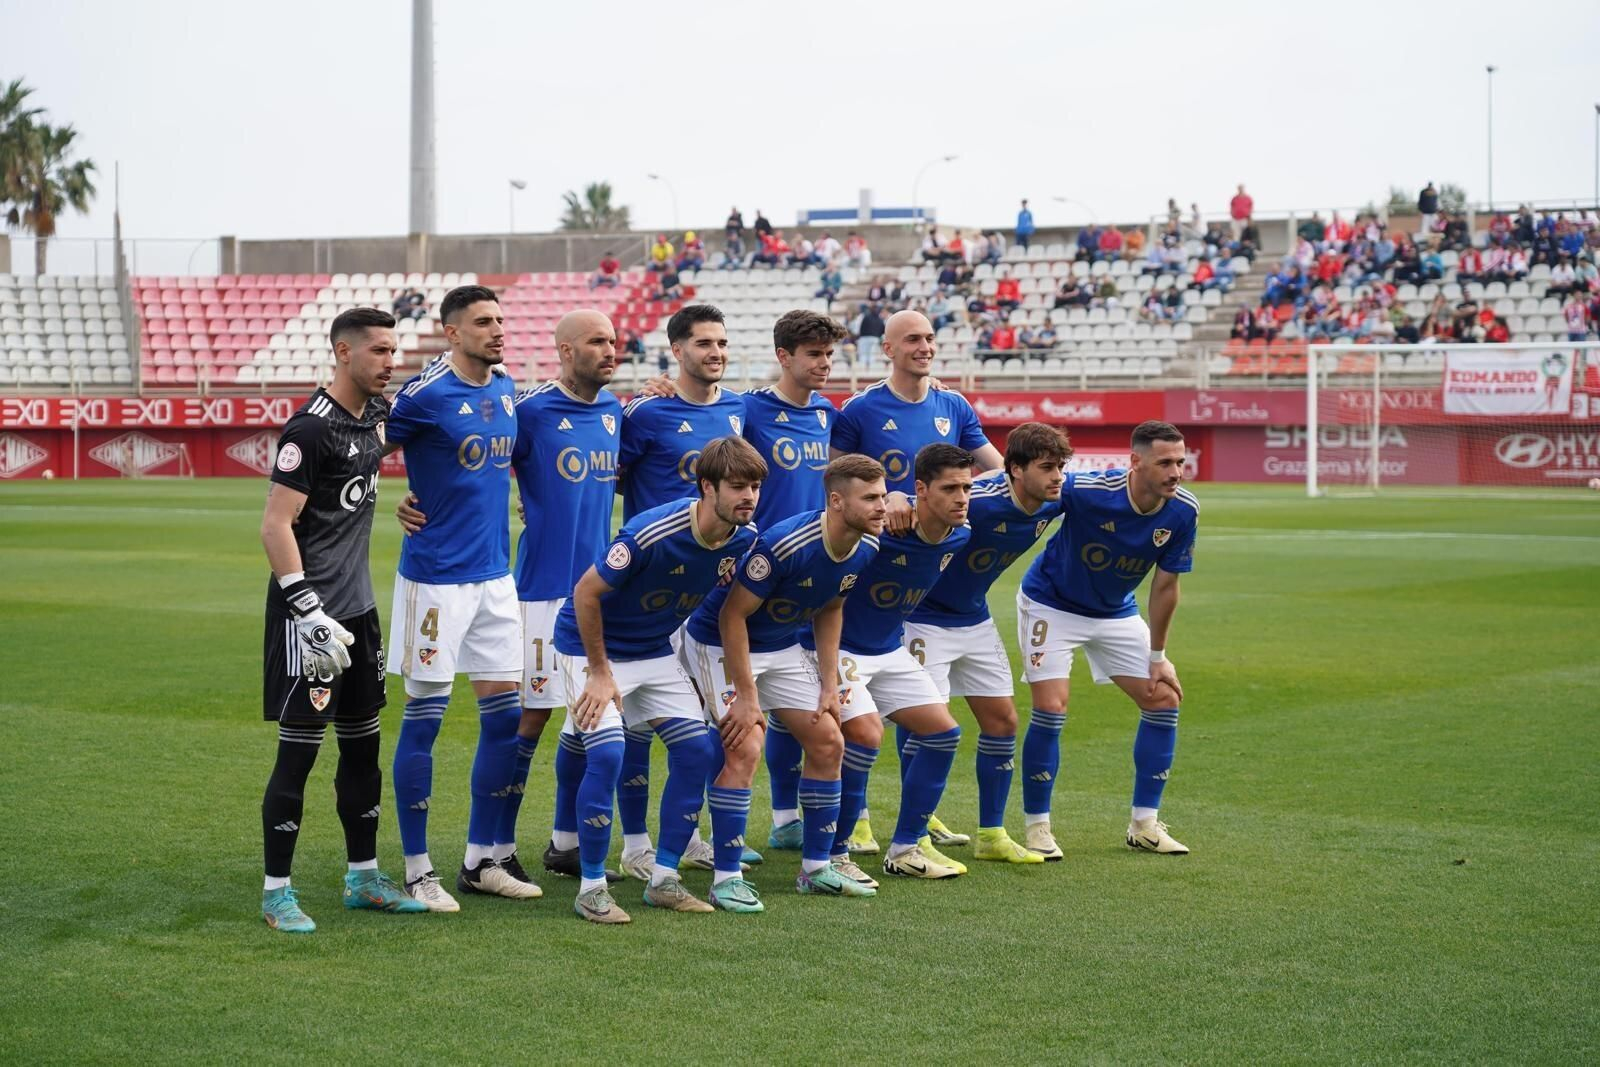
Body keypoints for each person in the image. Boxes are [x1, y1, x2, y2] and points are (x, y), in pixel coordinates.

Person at [396, 310, 627, 883]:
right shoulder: (528, 406)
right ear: (566, 350)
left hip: (595, 591)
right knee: (531, 720)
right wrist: (412, 496)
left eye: (615, 340)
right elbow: (471, 456)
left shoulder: (618, 411)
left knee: (590, 721)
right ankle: (495, 845)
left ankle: (560, 842)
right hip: (536, 592)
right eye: (598, 341)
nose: (611, 349)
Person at [258, 307, 423, 933]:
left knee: (363, 751)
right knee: (298, 755)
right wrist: (306, 609)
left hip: (360, 613)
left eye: (393, 350)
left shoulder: (378, 417)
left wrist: (411, 504)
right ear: (342, 352)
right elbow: (275, 525)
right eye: (379, 351)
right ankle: (277, 893)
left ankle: (362, 878)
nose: (390, 362)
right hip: (310, 618)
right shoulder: (309, 431)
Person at [554, 436, 764, 921]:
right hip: (589, 648)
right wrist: (601, 673)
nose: (748, 496)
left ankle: (664, 880)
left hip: (654, 649)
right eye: (737, 486)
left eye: (754, 486)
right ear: (707, 487)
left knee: (699, 751)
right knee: (608, 753)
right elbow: (586, 594)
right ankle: (590, 887)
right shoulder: (651, 533)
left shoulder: (745, 540)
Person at [383, 286, 533, 910]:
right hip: (435, 581)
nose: (497, 330)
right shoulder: (423, 396)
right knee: (427, 719)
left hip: (497, 579)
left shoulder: (505, 388)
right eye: (482, 323)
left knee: (504, 720)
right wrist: (385, 500)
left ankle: (480, 860)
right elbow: (357, 447)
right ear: (451, 333)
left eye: (500, 319)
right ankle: (418, 868)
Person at [679, 455, 888, 900]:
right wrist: (748, 697)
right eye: (870, 498)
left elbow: (831, 607)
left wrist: (830, 684)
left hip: (783, 647)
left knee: (830, 741)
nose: (882, 507)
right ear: (836, 501)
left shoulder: (867, 546)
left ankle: (815, 868)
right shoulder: (787, 544)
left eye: (883, 497)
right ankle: (725, 878)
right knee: (746, 744)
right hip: (722, 644)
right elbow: (732, 617)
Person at [1016, 421, 1199, 859]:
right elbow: (1029, 498)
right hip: (1050, 604)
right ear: (1135, 462)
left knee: (1163, 697)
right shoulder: (1087, 490)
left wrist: (1158, 656)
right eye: (1165, 463)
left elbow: (1166, 587)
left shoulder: (1183, 512)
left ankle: (1144, 824)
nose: (1176, 471)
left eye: (1180, 461)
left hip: (1114, 611)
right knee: (1051, 706)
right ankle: (1037, 826)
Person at [895, 423, 1072, 862]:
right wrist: (895, 497)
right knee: (927, 725)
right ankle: (912, 836)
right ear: (1013, 470)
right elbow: (918, 503)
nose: (1058, 477)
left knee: (1003, 722)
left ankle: (991, 834)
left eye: (1061, 468)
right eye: (1048, 467)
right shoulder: (977, 502)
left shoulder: (1057, 500)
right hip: (922, 619)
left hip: (974, 618)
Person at [615, 304, 747, 871]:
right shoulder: (645, 412)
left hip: (708, 595)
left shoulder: (742, 409)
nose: (715, 353)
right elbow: (602, 477)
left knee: (698, 722)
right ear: (676, 350)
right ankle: (635, 845)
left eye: (721, 343)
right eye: (703, 344)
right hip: (647, 590)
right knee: (638, 726)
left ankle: (683, 834)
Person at [810, 443, 974, 879]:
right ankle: (835, 854)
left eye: (967, 488)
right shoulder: (881, 530)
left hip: (889, 649)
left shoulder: (961, 534)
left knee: (944, 734)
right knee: (864, 735)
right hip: (840, 649)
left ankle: (904, 850)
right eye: (951, 489)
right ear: (921, 490)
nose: (962, 498)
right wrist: (894, 497)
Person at [830, 309, 1002, 495]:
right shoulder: (860, 408)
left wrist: (958, 490)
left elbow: (999, 470)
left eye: (929, 339)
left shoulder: (955, 405)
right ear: (888, 349)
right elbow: (829, 479)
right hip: (885, 524)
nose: (925, 348)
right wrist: (886, 500)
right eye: (913, 339)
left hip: (947, 525)